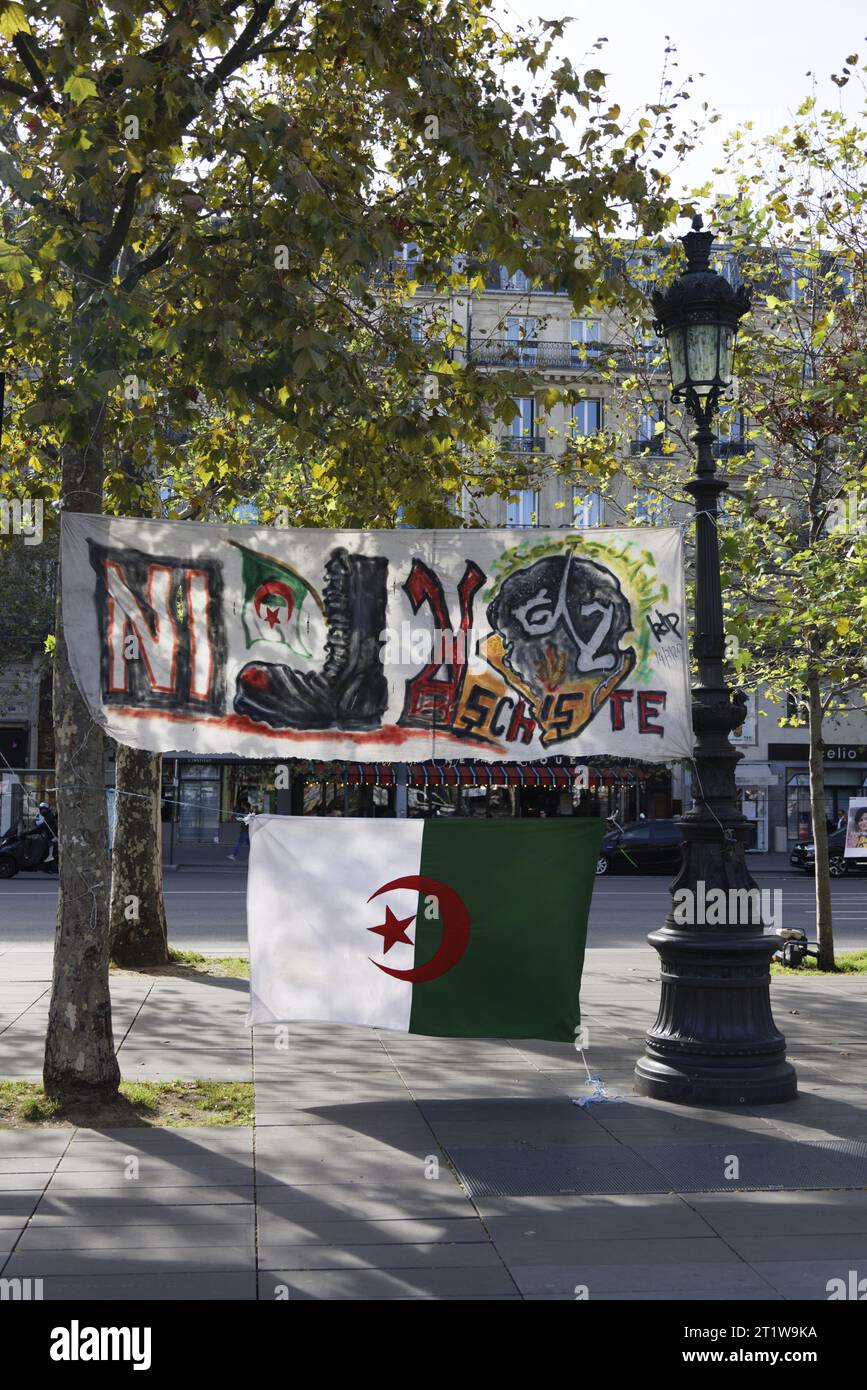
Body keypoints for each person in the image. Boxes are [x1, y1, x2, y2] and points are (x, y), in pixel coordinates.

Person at [227, 792, 253, 861]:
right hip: (247, 831)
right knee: (250, 845)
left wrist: (236, 816)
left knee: (240, 843)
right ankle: (254, 857)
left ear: (245, 805)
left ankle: (234, 855)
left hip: (245, 831)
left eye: (242, 804)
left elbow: (241, 819)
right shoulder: (248, 812)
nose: (241, 805)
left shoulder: (246, 813)